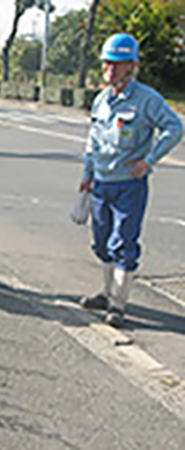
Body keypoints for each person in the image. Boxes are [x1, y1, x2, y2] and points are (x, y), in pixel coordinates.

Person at [78, 33, 183, 327]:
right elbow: (92, 141)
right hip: (100, 182)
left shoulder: (146, 99)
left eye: (118, 64)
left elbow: (173, 128)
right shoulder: (101, 99)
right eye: (107, 63)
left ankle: (118, 304)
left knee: (123, 242)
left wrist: (148, 161)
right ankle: (106, 291)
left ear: (132, 66)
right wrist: (87, 174)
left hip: (129, 184)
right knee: (101, 242)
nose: (110, 69)